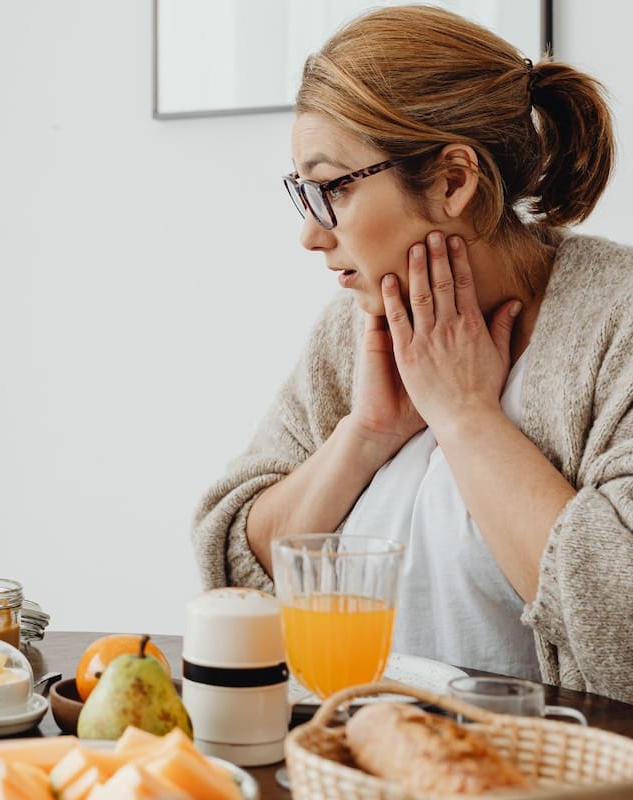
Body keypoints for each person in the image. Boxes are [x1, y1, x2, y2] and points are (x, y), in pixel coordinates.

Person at [192, 5, 633, 702]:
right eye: (301, 192)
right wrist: (363, 437)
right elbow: (231, 561)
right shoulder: (353, 331)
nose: (310, 234)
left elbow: (625, 628)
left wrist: (466, 418)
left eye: (330, 187)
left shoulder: (619, 322)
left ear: (454, 180)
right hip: (343, 766)